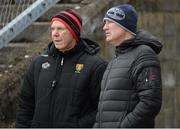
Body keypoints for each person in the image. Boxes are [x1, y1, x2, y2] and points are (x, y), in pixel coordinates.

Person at [15, 9, 107, 128]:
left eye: (60, 29)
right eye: (53, 29)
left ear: (74, 32)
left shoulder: (95, 66)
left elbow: (102, 109)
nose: (55, 34)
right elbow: (25, 106)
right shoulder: (38, 63)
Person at [94, 4, 162, 128]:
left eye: (109, 22)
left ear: (124, 25)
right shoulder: (115, 60)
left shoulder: (144, 54)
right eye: (104, 23)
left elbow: (150, 103)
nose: (104, 27)